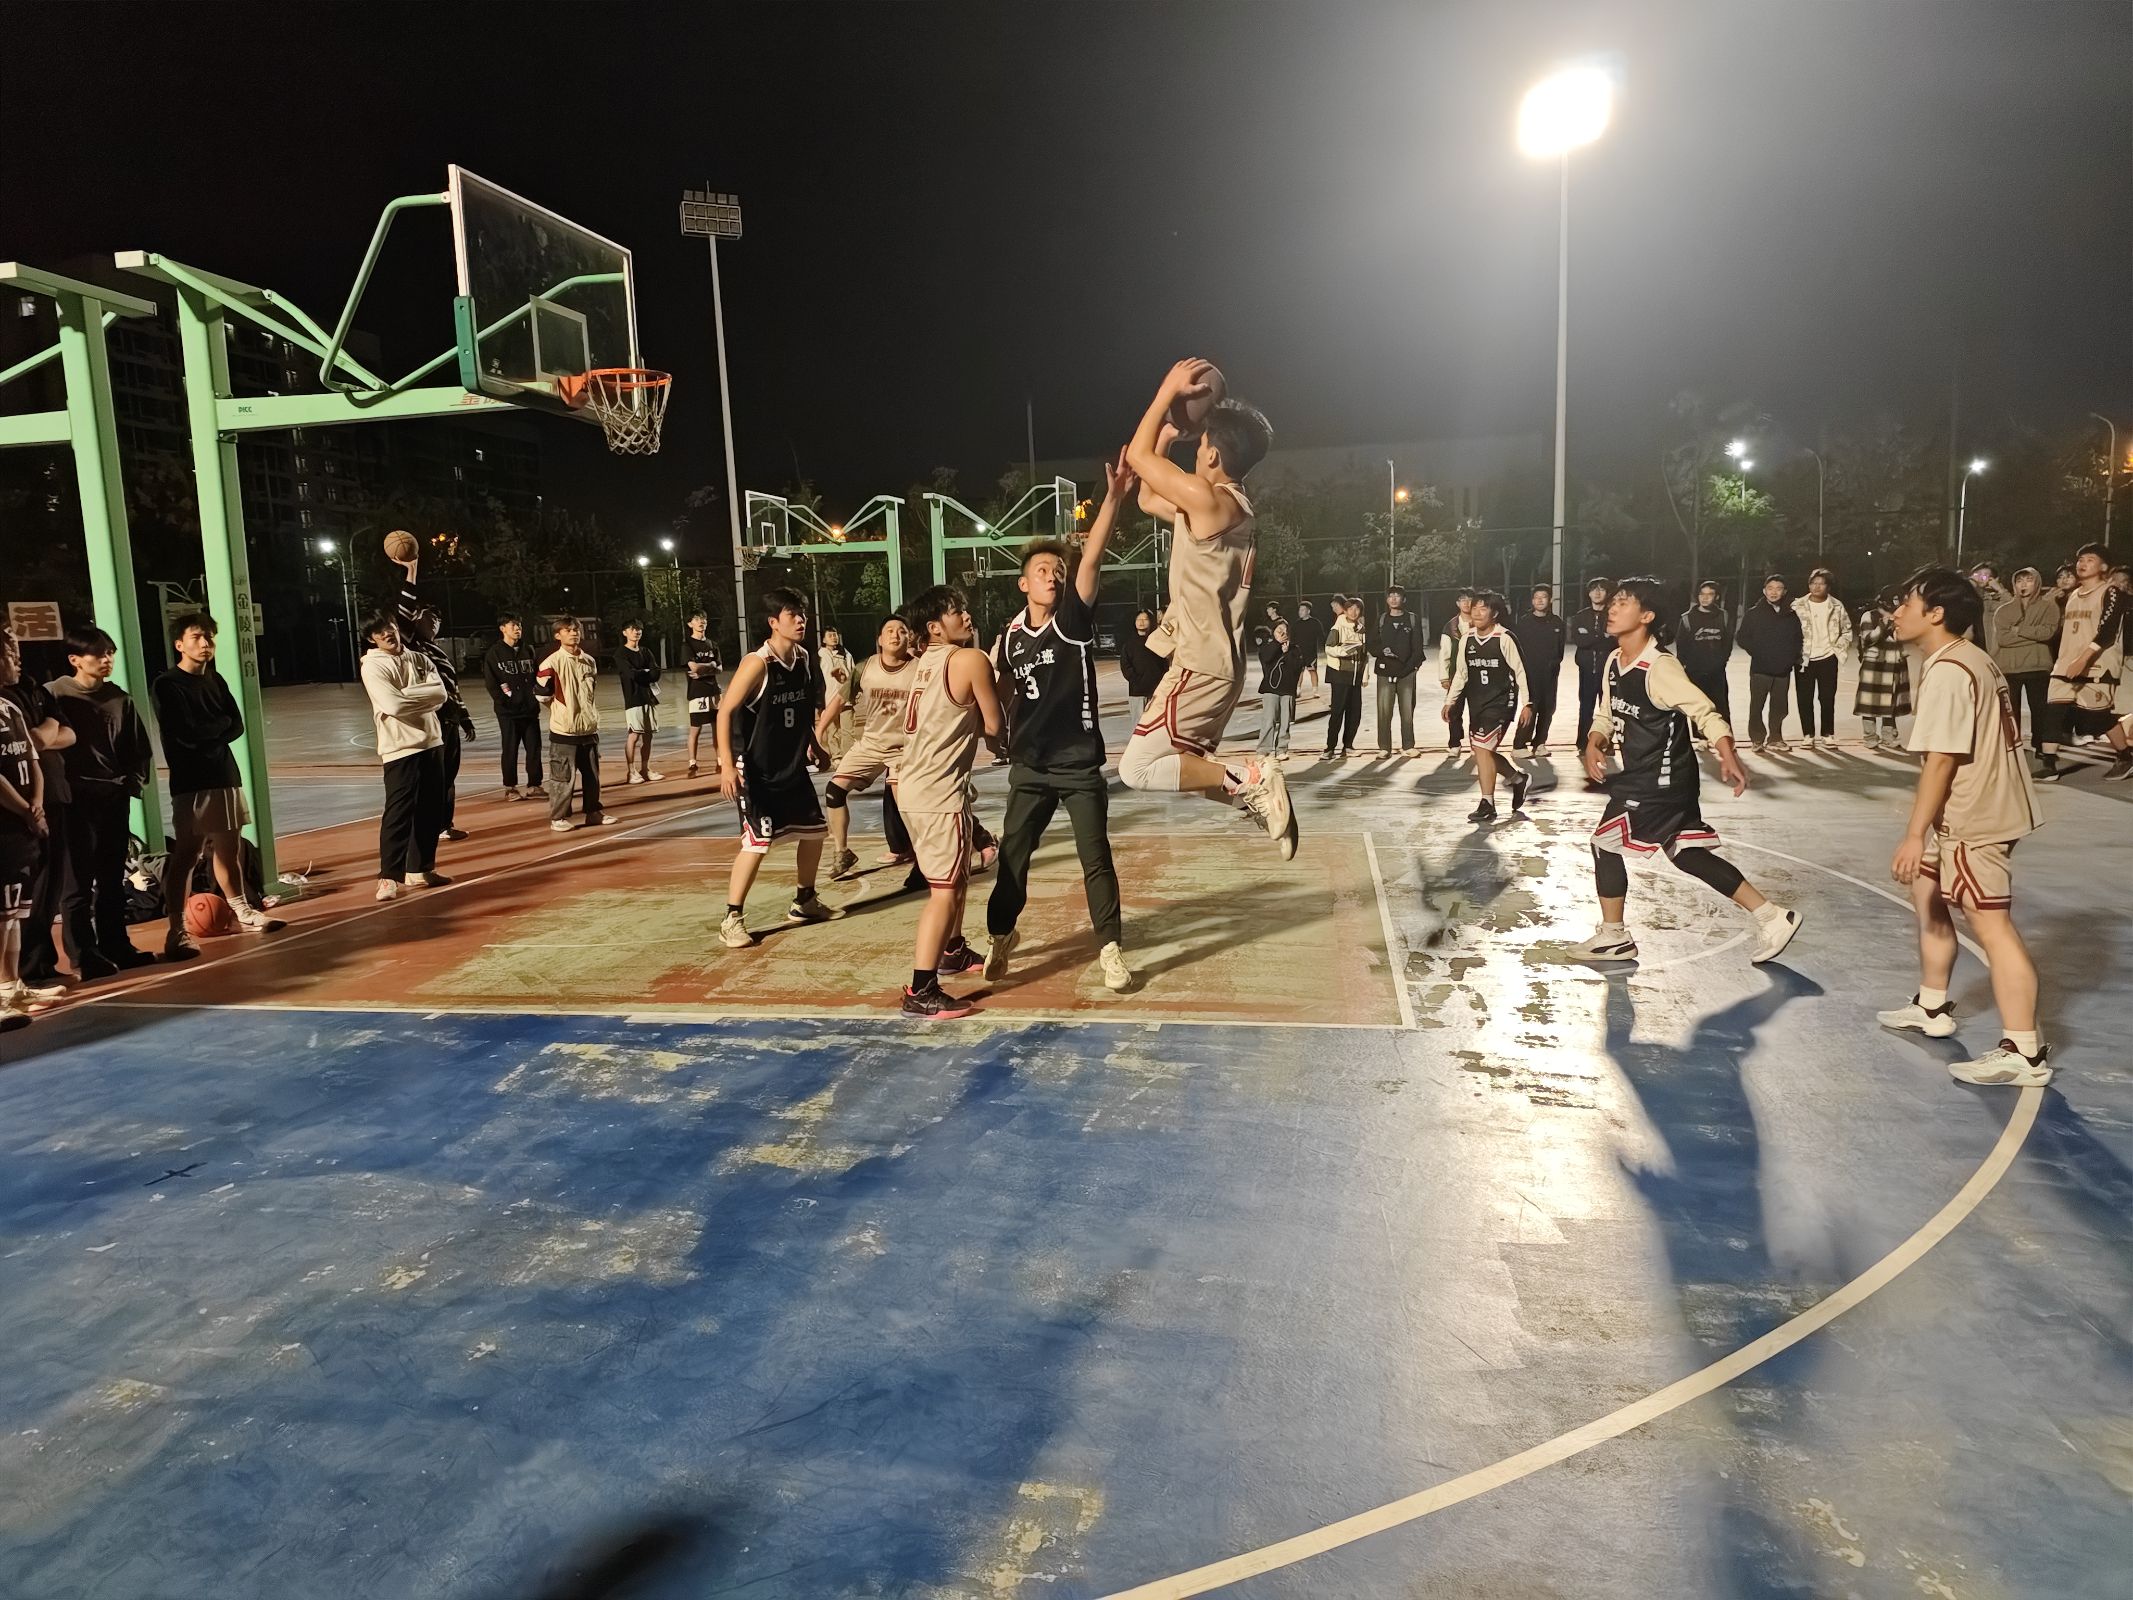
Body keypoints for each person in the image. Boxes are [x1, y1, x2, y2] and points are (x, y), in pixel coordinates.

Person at [1571, 577, 1801, 966]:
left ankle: (1615, 937)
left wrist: (1728, 754)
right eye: (1613, 602)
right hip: (1661, 777)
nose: (1612, 607)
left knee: (1604, 843)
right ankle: (1773, 916)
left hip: (1658, 780)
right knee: (1687, 854)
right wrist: (1595, 741)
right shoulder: (1614, 661)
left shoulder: (1659, 667)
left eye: (1623, 602)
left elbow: (1704, 711)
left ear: (1647, 616)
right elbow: (1606, 713)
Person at [1879, 566, 2049, 1084]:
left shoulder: (1951, 670)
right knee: (1926, 892)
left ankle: (2024, 1052)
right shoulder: (1968, 657)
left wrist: (1914, 833)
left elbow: (1943, 759)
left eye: (1907, 604)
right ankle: (1932, 1006)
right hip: (1970, 808)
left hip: (1976, 815)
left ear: (1936, 614)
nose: (1896, 613)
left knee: (1992, 926)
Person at [1119, 359, 1294, 856]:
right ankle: (1256, 798)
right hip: (1217, 664)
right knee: (1184, 768)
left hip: (1199, 663)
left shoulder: (1207, 500)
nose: (1195, 451)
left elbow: (1136, 457)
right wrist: (1168, 437)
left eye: (1199, 446)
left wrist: (1165, 392)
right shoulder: (1221, 506)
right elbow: (1147, 496)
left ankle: (1254, 779)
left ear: (1213, 455)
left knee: (1137, 768)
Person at [985, 450, 1133, 993]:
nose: (1053, 576)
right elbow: (997, 687)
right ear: (1023, 584)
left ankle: (1110, 947)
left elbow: (1090, 560)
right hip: (1029, 766)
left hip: (1077, 765)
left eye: (1057, 571)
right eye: (1042, 571)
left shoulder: (1071, 621)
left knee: (1096, 858)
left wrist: (1112, 498)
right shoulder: (1008, 637)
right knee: (1012, 858)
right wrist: (991, 731)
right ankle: (1001, 934)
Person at [894, 585, 1005, 1016]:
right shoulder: (970, 660)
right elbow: (994, 725)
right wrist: (1003, 682)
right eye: (956, 611)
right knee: (943, 891)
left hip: (912, 786)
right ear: (935, 627)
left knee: (954, 878)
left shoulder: (923, 663)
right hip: (938, 792)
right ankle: (921, 989)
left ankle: (953, 951)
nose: (966, 615)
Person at [151, 612, 283, 957]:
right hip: (192, 780)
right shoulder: (168, 684)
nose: (205, 643)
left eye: (209, 636)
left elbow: (236, 724)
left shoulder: (216, 679)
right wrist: (216, 729)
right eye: (196, 637)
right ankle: (177, 928)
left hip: (224, 773)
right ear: (179, 644)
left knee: (229, 848)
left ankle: (242, 909)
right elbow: (185, 732)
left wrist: (212, 730)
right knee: (187, 854)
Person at [715, 588, 836, 948]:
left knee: (814, 832)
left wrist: (814, 744)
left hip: (791, 765)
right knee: (758, 842)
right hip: (757, 770)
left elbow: (800, 710)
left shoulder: (803, 658)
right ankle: (731, 918)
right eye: (792, 615)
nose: (801, 620)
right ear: (773, 622)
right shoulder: (758, 663)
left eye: (802, 614)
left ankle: (804, 901)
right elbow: (725, 712)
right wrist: (726, 765)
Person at [46, 625, 155, 975]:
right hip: (74, 800)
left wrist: (131, 785)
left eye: (110, 653)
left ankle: (116, 945)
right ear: (75, 659)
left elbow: (138, 749)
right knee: (77, 882)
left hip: (112, 797)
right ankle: (83, 956)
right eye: (98, 653)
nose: (106, 659)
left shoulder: (119, 699)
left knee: (111, 879)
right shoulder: (54, 695)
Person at [820, 613, 921, 881]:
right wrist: (819, 730)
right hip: (872, 744)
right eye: (889, 630)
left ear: (909, 637)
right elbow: (839, 700)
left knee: (907, 806)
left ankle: (923, 860)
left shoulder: (920, 669)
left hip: (905, 748)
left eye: (902, 630)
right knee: (833, 791)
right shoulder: (865, 668)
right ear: (880, 639)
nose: (895, 634)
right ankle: (842, 852)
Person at [1, 623, 74, 986]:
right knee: (7, 910)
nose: (16, 655)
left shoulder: (23, 695)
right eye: (7, 649)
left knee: (26, 903)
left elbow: (47, 743)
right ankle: (13, 980)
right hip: (12, 818)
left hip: (42, 804)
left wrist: (37, 803)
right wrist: (26, 809)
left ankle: (21, 978)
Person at [358, 615, 450, 902]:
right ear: (372, 638)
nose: (387, 634)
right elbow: (392, 705)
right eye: (379, 632)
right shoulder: (373, 666)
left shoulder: (420, 659)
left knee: (431, 810)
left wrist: (406, 694)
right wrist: (420, 697)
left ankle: (421, 869)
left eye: (390, 627)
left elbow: (441, 694)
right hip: (400, 748)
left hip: (432, 742)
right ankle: (388, 877)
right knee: (398, 814)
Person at [389, 551, 476, 840]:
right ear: (416, 621)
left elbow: (453, 688)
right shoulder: (411, 645)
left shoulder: (438, 651)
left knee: (448, 776)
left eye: (438, 619)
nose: (435, 623)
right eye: (430, 618)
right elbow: (403, 610)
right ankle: (427, 826)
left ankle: (444, 824)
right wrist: (411, 573)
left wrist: (464, 717)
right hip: (431, 721)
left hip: (449, 720)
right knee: (433, 778)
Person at [2036, 543, 2131, 781]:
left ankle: (2125, 756)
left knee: (2095, 718)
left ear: (2104, 567)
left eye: (2090, 559)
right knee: (2053, 711)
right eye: (2080, 559)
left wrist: (2083, 660)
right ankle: (2049, 765)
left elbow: (2107, 633)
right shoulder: (2073, 596)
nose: (2082, 563)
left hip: (2097, 665)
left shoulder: (2111, 592)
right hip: (2065, 665)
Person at [1445, 589, 1532, 823]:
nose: (1477, 612)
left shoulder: (1504, 638)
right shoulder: (1467, 639)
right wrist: (1450, 701)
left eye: (1483, 608)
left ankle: (1487, 804)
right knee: (1483, 751)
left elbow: (1521, 671)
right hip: (1477, 703)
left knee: (1483, 749)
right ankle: (1517, 779)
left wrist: (1527, 703)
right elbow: (1461, 674)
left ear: (1495, 613)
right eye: (1474, 608)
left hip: (1501, 702)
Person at [535, 618, 616, 831]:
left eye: (576, 630)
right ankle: (558, 817)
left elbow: (591, 692)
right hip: (564, 730)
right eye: (568, 630)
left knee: (592, 776)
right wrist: (562, 712)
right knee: (562, 777)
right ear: (557, 635)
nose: (574, 633)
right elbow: (542, 695)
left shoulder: (589, 661)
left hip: (588, 728)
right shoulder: (550, 663)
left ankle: (593, 812)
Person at [1990, 568, 2057, 748]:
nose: (2023, 584)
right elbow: (2003, 639)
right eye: (2019, 581)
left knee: (2039, 708)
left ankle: (2040, 745)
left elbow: (2047, 633)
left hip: (2038, 666)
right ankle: (2014, 744)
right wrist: (2034, 635)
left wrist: (2018, 630)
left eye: (2028, 580)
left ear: (2037, 582)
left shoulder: (2049, 606)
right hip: (2009, 667)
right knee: (2011, 710)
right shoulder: (2003, 610)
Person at [1735, 574, 1803, 751]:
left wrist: (1791, 658)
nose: (1774, 592)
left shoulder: (1791, 614)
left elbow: (1798, 639)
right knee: (1757, 706)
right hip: (1760, 669)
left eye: (1778, 588)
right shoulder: (1754, 613)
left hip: (1783, 670)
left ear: (1784, 592)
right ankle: (1757, 739)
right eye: (1770, 588)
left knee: (1779, 707)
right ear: (1764, 591)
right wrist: (1758, 652)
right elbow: (1742, 638)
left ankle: (1775, 738)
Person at [482, 613, 542, 801]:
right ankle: (510, 787)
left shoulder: (528, 650)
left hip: (530, 710)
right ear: (503, 629)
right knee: (510, 749)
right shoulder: (494, 653)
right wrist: (505, 701)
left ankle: (534, 785)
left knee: (534, 748)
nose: (518, 629)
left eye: (519, 625)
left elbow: (536, 676)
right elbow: (492, 683)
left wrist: (535, 697)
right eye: (513, 625)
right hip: (508, 712)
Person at [1792, 567, 1852, 748]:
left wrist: (1837, 649)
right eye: (1813, 583)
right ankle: (1808, 735)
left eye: (1821, 583)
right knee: (1804, 698)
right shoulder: (1797, 605)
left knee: (1827, 698)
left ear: (1828, 586)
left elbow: (1847, 630)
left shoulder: (1837, 606)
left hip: (1828, 657)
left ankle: (1827, 734)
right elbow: (1788, 631)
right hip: (1804, 659)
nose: (1816, 587)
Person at [1510, 584, 1567, 752]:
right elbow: (1517, 648)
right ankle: (1520, 744)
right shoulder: (1524, 623)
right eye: (1536, 597)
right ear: (1532, 601)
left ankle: (1540, 742)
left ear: (1550, 600)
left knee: (1548, 708)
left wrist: (1554, 664)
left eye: (1543, 597)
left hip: (1550, 673)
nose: (1540, 600)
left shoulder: (1557, 622)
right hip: (1530, 673)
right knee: (1531, 706)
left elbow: (1560, 648)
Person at [1852, 592, 1912, 748]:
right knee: (1868, 703)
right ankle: (1870, 736)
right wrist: (1883, 625)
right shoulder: (1870, 616)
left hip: (1895, 662)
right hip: (1874, 664)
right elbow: (1868, 638)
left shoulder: (1900, 616)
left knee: (1890, 701)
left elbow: (1907, 637)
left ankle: (1888, 735)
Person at [1367, 586, 1423, 753]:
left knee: (1407, 712)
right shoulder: (1382, 619)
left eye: (1397, 596)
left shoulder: (1412, 619)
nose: (1393, 599)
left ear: (1403, 599)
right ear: (1387, 599)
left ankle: (1408, 746)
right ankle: (1384, 747)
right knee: (1384, 712)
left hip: (1407, 673)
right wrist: (1381, 652)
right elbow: (1371, 643)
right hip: (1385, 673)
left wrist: (1411, 668)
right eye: (1390, 596)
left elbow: (1418, 648)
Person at [1675, 580, 1734, 735]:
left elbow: (1727, 642)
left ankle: (1723, 735)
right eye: (1702, 594)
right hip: (1695, 670)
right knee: (1698, 705)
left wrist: (1722, 660)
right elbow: (1682, 646)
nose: (1705, 597)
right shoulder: (1687, 618)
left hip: (1717, 671)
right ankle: (1701, 737)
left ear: (1717, 597)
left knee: (1721, 705)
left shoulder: (1723, 616)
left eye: (1710, 594)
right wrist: (1685, 667)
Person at [613, 620, 663, 784]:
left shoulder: (646, 651)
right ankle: (631, 771)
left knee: (648, 736)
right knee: (634, 735)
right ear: (625, 632)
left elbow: (656, 673)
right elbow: (631, 674)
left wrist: (644, 672)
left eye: (639, 629)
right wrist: (646, 672)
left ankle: (645, 769)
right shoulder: (621, 653)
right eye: (633, 629)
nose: (637, 632)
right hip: (633, 698)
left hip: (649, 697)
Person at [678, 612, 722, 778]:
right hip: (697, 693)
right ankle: (693, 764)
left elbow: (720, 669)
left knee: (718, 729)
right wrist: (711, 666)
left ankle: (720, 761)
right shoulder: (687, 645)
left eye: (703, 619)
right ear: (690, 624)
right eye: (696, 619)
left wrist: (706, 669)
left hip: (714, 692)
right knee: (695, 730)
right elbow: (693, 668)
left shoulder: (713, 644)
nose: (701, 622)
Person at [1570, 577, 1612, 750]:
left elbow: (1614, 641)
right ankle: (1583, 742)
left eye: (1601, 589)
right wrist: (1602, 636)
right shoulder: (1580, 616)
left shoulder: (1612, 614)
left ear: (1607, 593)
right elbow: (1580, 640)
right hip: (1587, 669)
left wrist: (1591, 636)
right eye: (1594, 589)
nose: (1597, 592)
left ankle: (1607, 742)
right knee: (1586, 706)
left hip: (1608, 669)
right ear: (1588, 593)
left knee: (1607, 707)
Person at [1322, 598, 1367, 757]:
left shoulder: (1361, 628)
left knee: (1354, 713)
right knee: (1337, 711)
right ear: (1345, 610)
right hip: (1340, 675)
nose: (1354, 612)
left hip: (1356, 676)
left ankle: (1348, 746)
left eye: (1357, 609)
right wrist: (1344, 652)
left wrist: (1365, 675)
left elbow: (1364, 654)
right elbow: (1328, 648)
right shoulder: (1338, 627)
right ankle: (1329, 748)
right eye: (1350, 609)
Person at [1256, 619, 1304, 757]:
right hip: (1271, 689)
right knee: (1268, 720)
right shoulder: (1267, 647)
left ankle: (1282, 749)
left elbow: (1297, 668)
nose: (1283, 634)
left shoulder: (1295, 649)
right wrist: (1277, 645)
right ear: (1273, 632)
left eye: (1285, 631)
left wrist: (1287, 653)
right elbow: (1266, 659)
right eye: (1279, 631)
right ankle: (1263, 750)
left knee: (1285, 722)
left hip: (1288, 689)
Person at [1119, 610, 1166, 736]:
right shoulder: (1129, 645)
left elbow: (1165, 664)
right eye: (1139, 619)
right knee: (1138, 725)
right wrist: (1136, 680)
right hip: (1137, 692)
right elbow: (1125, 666)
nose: (1141, 622)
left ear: (1151, 622)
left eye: (1145, 619)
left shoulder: (1157, 641)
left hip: (1156, 691)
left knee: (1157, 723)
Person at [1438, 590, 1475, 750]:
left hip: (1476, 675)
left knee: (1477, 712)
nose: (1466, 603)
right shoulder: (1451, 626)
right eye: (1462, 600)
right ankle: (1454, 743)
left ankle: (1477, 743)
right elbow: (1444, 653)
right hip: (1456, 675)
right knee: (1454, 710)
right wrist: (1444, 677)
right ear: (1457, 603)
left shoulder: (1480, 623)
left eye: (1469, 599)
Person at [816, 627, 858, 765]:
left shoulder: (846, 654)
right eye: (830, 635)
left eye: (835, 635)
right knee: (832, 730)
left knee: (847, 729)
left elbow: (853, 673)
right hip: (828, 699)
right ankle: (836, 757)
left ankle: (848, 757)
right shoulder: (820, 655)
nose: (834, 638)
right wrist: (819, 702)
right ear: (823, 639)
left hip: (845, 698)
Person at [1290, 599, 1324, 696]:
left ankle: (1315, 691)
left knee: (1312, 671)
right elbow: (1292, 639)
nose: (1300, 612)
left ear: (1308, 611)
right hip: (1298, 653)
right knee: (1299, 672)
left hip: (1311, 653)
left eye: (1302, 610)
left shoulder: (1315, 623)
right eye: (1299, 610)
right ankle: (1297, 690)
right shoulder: (1296, 624)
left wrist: (1325, 647)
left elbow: (1322, 637)